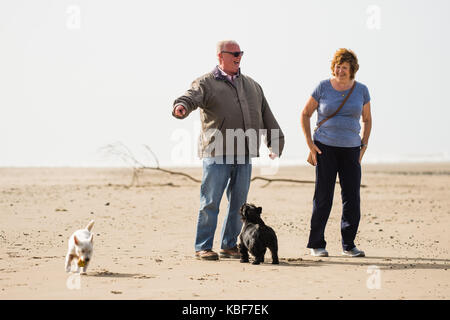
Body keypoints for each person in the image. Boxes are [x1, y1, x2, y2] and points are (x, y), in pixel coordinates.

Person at [172, 40, 285, 261]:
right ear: (220, 56)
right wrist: (182, 105)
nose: (238, 56)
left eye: (240, 53)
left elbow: (266, 115)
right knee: (210, 202)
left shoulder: (252, 85)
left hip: (244, 153)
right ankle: (203, 246)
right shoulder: (205, 82)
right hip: (217, 153)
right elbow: (191, 97)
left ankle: (229, 245)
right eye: (233, 53)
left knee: (239, 205)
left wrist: (275, 142)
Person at [300, 48, 372, 258]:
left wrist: (363, 146)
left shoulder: (361, 90)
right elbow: (305, 114)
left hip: (351, 149)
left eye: (345, 68)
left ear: (352, 70)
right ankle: (317, 244)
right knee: (323, 196)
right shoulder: (323, 87)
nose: (340, 71)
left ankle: (348, 245)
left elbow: (367, 119)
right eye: (338, 67)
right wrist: (310, 145)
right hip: (325, 147)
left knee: (352, 197)